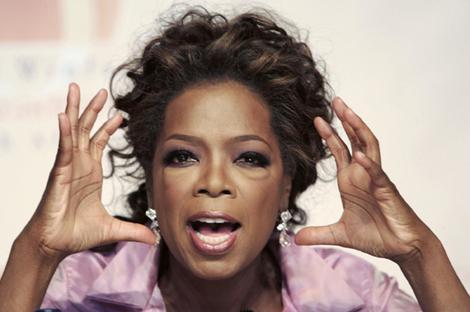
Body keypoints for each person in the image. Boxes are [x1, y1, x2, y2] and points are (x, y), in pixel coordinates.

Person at [0, 6, 469, 312]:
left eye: (249, 158)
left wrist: (419, 253)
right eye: (183, 156)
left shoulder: (353, 296)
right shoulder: (75, 292)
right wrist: (35, 253)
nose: (214, 182)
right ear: (152, 179)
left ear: (287, 183)